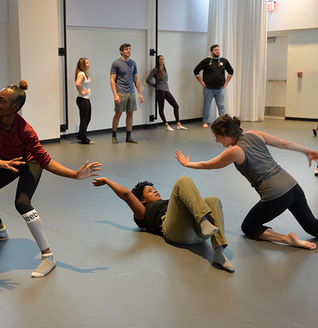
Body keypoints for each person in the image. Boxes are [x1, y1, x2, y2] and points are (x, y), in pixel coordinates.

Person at [0, 80, 101, 278]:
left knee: (21, 202)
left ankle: (48, 257)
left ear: (15, 107)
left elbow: (45, 161)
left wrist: (74, 175)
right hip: (9, 162)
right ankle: (0, 229)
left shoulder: (26, 130)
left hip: (30, 163)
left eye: (1, 101)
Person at [175, 114, 318, 250]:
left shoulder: (234, 151)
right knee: (312, 226)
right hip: (293, 185)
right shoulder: (254, 133)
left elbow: (209, 165)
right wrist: (307, 151)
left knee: (249, 227)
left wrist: (187, 164)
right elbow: (284, 144)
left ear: (226, 135)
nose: (217, 140)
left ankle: (287, 239)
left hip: (276, 195)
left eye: (217, 137)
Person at [92, 176, 234, 272]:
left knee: (212, 199)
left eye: (154, 189)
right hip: (176, 232)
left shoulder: (168, 203)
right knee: (182, 180)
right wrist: (106, 181)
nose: (155, 191)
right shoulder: (143, 212)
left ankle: (218, 251)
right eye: (149, 191)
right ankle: (203, 220)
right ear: (142, 200)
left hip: (197, 232)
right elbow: (127, 195)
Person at [110, 43, 144, 143]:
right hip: (121, 92)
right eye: (126, 49)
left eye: (129, 49)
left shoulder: (133, 63)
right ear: (121, 51)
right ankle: (114, 135)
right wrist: (115, 95)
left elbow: (136, 79)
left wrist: (140, 93)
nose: (128, 51)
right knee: (118, 114)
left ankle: (128, 136)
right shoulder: (116, 63)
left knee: (130, 114)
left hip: (131, 92)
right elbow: (112, 80)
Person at [193, 44, 234, 128]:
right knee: (206, 106)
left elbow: (231, 71)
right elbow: (196, 71)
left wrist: (226, 82)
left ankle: (223, 122)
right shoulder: (206, 61)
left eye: (218, 49)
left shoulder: (224, 61)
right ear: (211, 52)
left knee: (221, 107)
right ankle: (205, 122)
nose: (217, 51)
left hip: (220, 89)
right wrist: (201, 82)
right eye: (215, 50)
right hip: (208, 88)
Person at [146, 55, 187, 131]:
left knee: (176, 106)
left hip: (166, 90)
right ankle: (166, 125)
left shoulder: (164, 69)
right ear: (157, 61)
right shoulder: (155, 70)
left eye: (163, 59)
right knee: (161, 108)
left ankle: (178, 124)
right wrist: (155, 85)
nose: (162, 61)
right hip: (160, 90)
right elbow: (148, 80)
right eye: (160, 59)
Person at [75, 58, 94, 144]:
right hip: (83, 99)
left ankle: (80, 135)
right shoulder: (81, 74)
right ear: (82, 65)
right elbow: (77, 83)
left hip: (86, 99)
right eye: (87, 63)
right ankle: (84, 139)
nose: (89, 64)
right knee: (84, 119)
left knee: (87, 118)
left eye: (88, 62)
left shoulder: (85, 74)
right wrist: (81, 92)